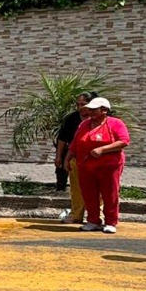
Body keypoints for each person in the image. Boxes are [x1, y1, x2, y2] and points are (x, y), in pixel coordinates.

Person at [64, 98, 130, 234]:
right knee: (89, 194)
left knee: (109, 194)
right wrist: (67, 158)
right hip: (86, 166)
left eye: (94, 109)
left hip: (109, 166)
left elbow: (123, 141)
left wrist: (103, 149)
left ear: (104, 110)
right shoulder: (84, 124)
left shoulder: (116, 123)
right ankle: (93, 221)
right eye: (90, 109)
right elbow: (75, 143)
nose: (91, 112)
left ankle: (111, 221)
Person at [55, 91, 98, 223]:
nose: (80, 107)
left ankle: (97, 217)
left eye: (83, 104)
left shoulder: (103, 120)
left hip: (97, 160)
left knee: (98, 189)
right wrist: (60, 157)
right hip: (76, 158)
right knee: (76, 188)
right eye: (78, 104)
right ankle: (77, 215)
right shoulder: (72, 119)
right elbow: (63, 140)